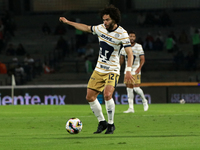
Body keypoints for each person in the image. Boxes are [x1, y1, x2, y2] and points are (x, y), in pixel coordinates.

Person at [59, 4, 134, 134]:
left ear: (114, 19)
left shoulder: (122, 33)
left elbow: (130, 53)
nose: (104, 22)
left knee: (107, 94)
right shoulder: (100, 28)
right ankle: (102, 122)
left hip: (112, 69)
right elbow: (86, 28)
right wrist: (67, 22)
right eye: (103, 19)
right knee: (90, 97)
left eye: (107, 20)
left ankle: (111, 124)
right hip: (99, 69)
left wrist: (128, 70)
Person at [120, 31, 149, 113]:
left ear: (135, 38)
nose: (132, 38)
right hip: (127, 71)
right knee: (129, 89)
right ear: (128, 37)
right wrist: (117, 67)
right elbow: (121, 59)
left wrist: (139, 68)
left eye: (133, 36)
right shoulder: (124, 47)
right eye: (130, 36)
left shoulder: (138, 47)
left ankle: (144, 100)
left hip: (136, 70)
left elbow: (142, 59)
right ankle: (131, 108)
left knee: (136, 88)